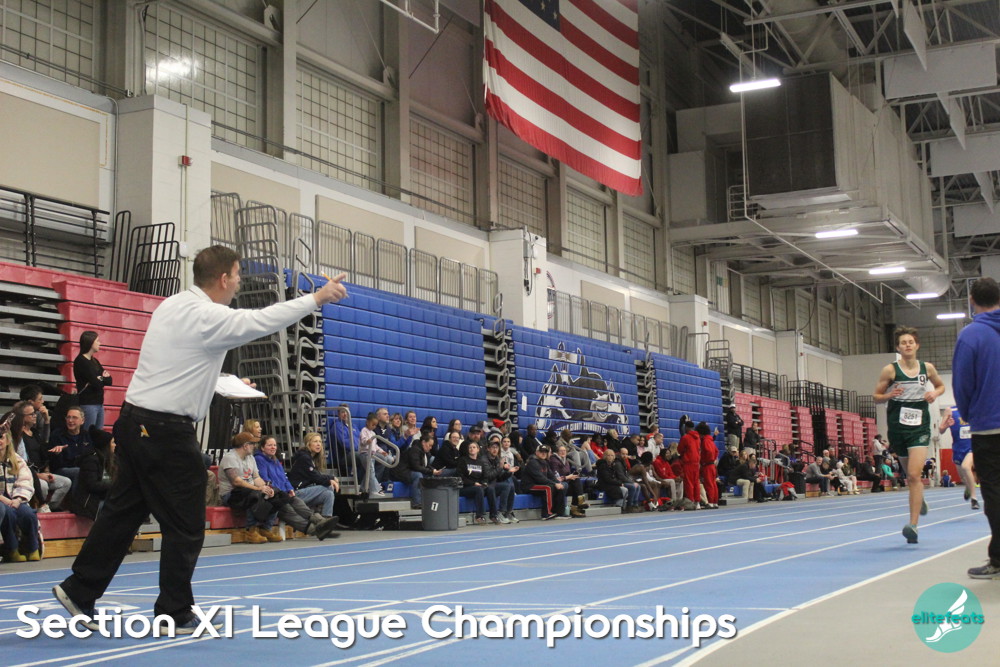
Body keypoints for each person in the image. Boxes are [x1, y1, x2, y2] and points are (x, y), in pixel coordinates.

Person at [52, 245, 348, 633]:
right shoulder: (210, 316)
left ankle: (79, 590)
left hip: (133, 421)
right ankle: (174, 611)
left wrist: (223, 381)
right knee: (188, 521)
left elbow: (181, 364)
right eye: (237, 276)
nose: (239, 283)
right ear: (223, 278)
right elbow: (262, 320)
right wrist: (316, 298)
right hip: (165, 431)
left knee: (122, 513)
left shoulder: (171, 305)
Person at [873, 325, 946, 544]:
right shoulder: (890, 370)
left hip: (920, 427)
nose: (907, 345)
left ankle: (913, 526)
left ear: (917, 345)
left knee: (914, 475)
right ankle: (918, 496)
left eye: (910, 342)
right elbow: (876, 396)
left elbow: (941, 386)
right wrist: (889, 395)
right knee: (909, 475)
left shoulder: (927, 368)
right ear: (898, 347)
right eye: (903, 343)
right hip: (897, 426)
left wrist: (934, 393)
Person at [952, 277, 1000, 578]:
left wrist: (970, 414)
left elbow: (962, 383)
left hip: (989, 427)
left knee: (994, 492)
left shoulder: (971, 335)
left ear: (972, 300)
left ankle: (999, 559)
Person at [254, 436, 338, 540]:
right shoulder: (259, 459)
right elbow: (265, 479)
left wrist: (290, 489)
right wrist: (280, 492)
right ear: (262, 448)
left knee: (297, 501)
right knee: (289, 510)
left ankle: (321, 522)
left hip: (283, 494)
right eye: (270, 445)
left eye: (274, 445)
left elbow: (285, 478)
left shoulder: (275, 460)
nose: (273, 447)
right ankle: (315, 530)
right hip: (272, 496)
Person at [10, 400, 70, 512]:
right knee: (43, 486)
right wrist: (39, 475)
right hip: (29, 474)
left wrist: (47, 470)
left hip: (41, 471)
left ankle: (50, 507)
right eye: (31, 414)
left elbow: (44, 450)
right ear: (22, 417)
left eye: (35, 413)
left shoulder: (35, 432)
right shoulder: (17, 436)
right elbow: (23, 463)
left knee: (66, 482)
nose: (35, 416)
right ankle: (39, 509)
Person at [0, 419, 41, 562]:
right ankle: (12, 549)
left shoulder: (17, 460)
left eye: (1, 438)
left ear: (7, 440)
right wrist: (5, 500)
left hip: (16, 498)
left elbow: (25, 482)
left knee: (28, 514)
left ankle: (33, 547)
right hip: (2, 501)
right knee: (8, 514)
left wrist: (18, 499)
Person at [287, 432, 339, 518]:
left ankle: (325, 520)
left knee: (329, 494)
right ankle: (317, 517)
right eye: (315, 441)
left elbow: (317, 475)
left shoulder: (311, 458)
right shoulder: (304, 458)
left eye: (320, 442)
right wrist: (331, 479)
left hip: (306, 492)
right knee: (329, 486)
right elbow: (316, 477)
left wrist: (331, 478)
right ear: (308, 444)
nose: (318, 444)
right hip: (296, 493)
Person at [69, 426, 116, 520]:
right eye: (113, 442)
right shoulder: (91, 461)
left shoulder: (110, 460)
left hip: (103, 498)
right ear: (106, 445)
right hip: (89, 503)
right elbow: (92, 485)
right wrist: (113, 484)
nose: (115, 445)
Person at [939, 407, 979, 510]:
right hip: (958, 448)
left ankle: (974, 499)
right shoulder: (950, 410)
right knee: (963, 478)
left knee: (966, 467)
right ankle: (968, 487)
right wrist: (946, 425)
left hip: (972, 446)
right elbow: (941, 429)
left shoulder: (975, 407)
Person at [73, 330, 113, 431]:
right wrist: (101, 378)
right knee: (88, 433)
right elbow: (96, 384)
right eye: (97, 341)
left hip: (99, 403)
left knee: (98, 434)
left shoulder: (95, 361)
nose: (100, 343)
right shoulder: (81, 361)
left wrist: (100, 378)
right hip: (88, 403)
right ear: (90, 343)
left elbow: (109, 380)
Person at [47, 407, 93, 489]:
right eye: (68, 417)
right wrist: (57, 454)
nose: (70, 420)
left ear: (82, 421)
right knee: (78, 471)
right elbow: (54, 463)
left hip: (82, 468)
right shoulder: (57, 435)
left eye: (74, 417)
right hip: (61, 469)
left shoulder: (87, 436)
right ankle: (76, 497)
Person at [392, 432, 440, 509]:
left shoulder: (425, 452)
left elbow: (426, 465)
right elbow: (416, 467)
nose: (431, 448)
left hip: (410, 470)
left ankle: (431, 501)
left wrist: (433, 470)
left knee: (431, 475)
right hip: (401, 471)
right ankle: (417, 503)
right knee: (418, 475)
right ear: (423, 442)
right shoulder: (415, 450)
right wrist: (431, 471)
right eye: (429, 445)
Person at [522, 444, 569, 520]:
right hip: (530, 486)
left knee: (561, 486)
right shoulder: (533, 462)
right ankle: (546, 513)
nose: (543, 453)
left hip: (540, 484)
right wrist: (555, 484)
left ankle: (560, 513)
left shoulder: (545, 462)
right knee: (548, 488)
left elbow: (551, 476)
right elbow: (540, 478)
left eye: (545, 452)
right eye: (541, 452)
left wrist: (558, 483)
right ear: (537, 452)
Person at [456, 440, 497, 524]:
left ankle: (493, 515)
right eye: (470, 448)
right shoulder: (463, 461)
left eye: (474, 447)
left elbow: (485, 476)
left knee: (490, 489)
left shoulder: (480, 462)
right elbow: (460, 477)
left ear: (478, 449)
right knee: (479, 489)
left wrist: (484, 483)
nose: (472, 449)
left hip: (478, 486)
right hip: (466, 487)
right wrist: (473, 483)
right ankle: (479, 516)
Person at [483, 435, 517, 523]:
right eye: (493, 447)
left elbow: (500, 477)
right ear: (488, 449)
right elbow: (488, 476)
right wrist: (500, 467)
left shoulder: (497, 459)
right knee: (505, 486)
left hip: (493, 483)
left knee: (510, 485)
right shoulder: (484, 459)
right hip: (485, 484)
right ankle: (501, 512)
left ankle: (508, 512)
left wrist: (509, 472)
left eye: (497, 448)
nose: (495, 449)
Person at [698, 422, 719, 509]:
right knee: (713, 484)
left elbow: (709, 451)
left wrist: (705, 459)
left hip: (707, 465)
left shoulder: (705, 441)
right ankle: (715, 502)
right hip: (712, 465)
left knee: (709, 484)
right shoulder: (710, 440)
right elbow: (716, 451)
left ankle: (710, 502)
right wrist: (713, 459)